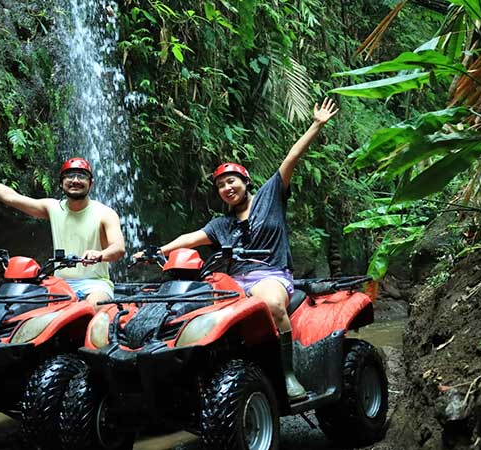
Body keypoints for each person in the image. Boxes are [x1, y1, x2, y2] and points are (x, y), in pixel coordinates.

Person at [133, 98, 339, 401]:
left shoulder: (271, 196)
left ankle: (287, 373)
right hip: (231, 282)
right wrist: (156, 250)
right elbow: (190, 238)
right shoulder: (221, 223)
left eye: (232, 181)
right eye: (221, 186)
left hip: (271, 276)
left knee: (270, 305)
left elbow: (291, 158)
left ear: (245, 182)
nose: (227, 188)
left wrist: (317, 124)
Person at [0, 154, 125, 308]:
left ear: (91, 182)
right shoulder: (52, 207)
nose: (75, 180)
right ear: (61, 182)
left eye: (82, 176)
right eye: (69, 176)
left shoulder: (105, 213)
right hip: (59, 283)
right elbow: (12, 198)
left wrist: (99, 255)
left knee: (92, 308)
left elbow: (118, 248)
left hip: (95, 283)